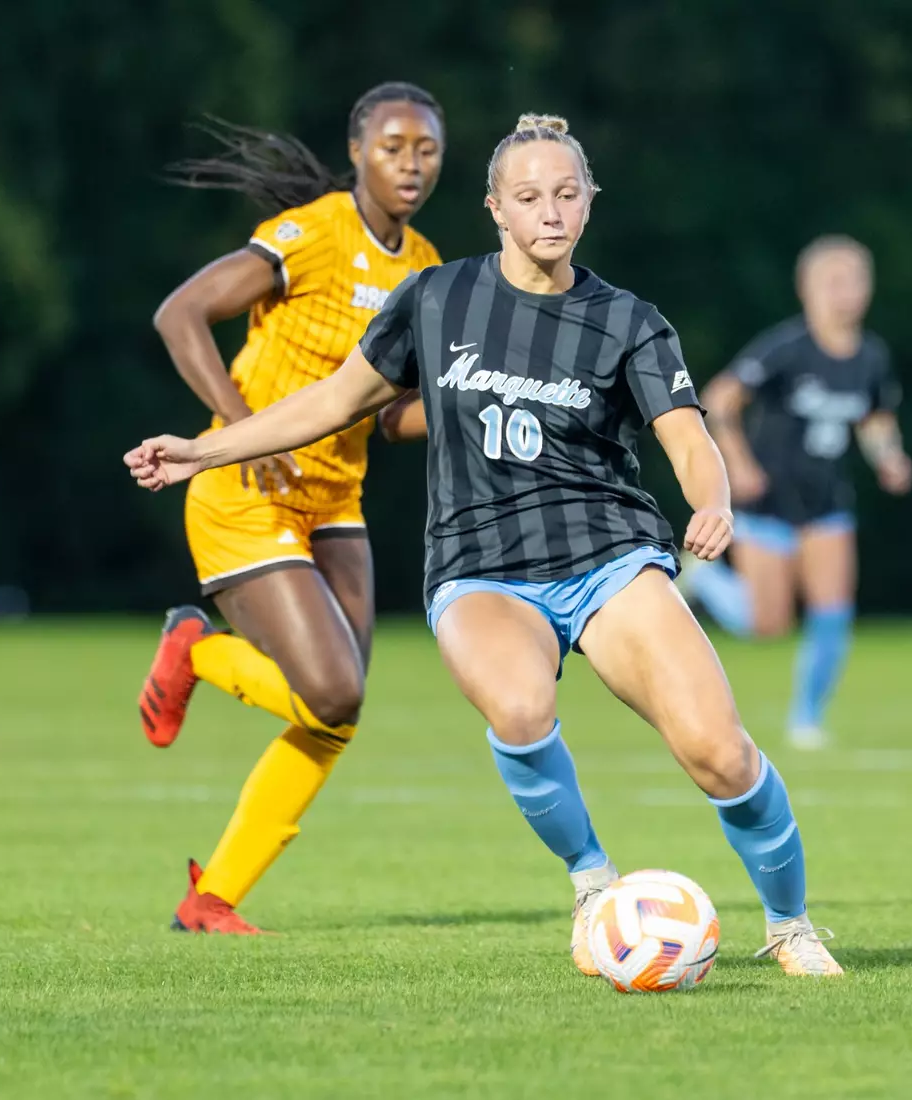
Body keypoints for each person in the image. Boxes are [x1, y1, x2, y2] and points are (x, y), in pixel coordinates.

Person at [125, 113, 844, 976]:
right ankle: (592, 886)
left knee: (719, 751)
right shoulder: (437, 297)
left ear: (588, 205)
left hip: (609, 557)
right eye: (530, 196)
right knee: (520, 708)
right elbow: (332, 402)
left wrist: (712, 500)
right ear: (496, 207)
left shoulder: (627, 321)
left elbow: (689, 439)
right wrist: (201, 448)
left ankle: (792, 925)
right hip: (481, 567)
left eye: (568, 194)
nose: (551, 212)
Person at [138, 82, 445, 934]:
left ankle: (212, 898)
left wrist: (472, 401)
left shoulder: (423, 267)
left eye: (426, 148)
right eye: (393, 146)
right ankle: (195, 649)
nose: (411, 163)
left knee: (336, 710)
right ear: (357, 153)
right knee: (334, 688)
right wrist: (248, 434)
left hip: (333, 496)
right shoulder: (313, 231)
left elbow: (386, 414)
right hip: (245, 491)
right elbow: (180, 314)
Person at [680, 236, 912, 751]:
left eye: (854, 282)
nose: (844, 294)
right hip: (768, 501)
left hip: (828, 501)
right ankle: (703, 580)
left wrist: (889, 459)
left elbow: (875, 419)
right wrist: (737, 465)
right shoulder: (785, 349)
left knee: (833, 611)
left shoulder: (870, 357)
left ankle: (806, 719)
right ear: (806, 290)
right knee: (768, 624)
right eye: (832, 282)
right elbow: (719, 401)